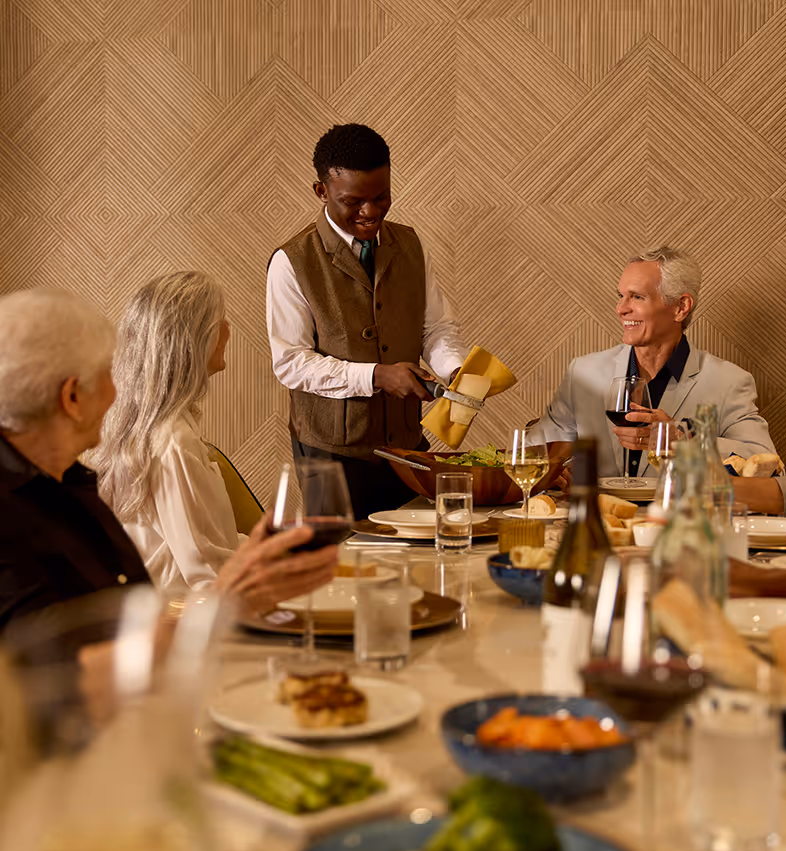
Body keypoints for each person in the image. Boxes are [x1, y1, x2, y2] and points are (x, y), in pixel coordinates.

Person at [0, 287, 338, 637]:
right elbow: (63, 671)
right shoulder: (14, 520)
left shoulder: (73, 483)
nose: (117, 391)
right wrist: (231, 595)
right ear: (72, 398)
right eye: (106, 374)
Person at [266, 122, 467, 520]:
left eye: (382, 197)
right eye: (354, 201)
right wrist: (377, 376)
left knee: (414, 563)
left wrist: (457, 368)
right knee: (341, 571)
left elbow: (436, 327)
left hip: (407, 448)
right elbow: (290, 363)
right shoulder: (291, 262)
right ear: (321, 191)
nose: (371, 212)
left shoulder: (410, 245)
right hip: (329, 456)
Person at [533, 246, 775, 478]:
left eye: (637, 297)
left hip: (679, 518)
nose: (621, 309)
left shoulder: (729, 382)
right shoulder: (583, 373)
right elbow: (535, 451)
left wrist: (683, 439)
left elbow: (769, 464)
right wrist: (562, 470)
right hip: (599, 517)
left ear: (681, 307)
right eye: (621, 296)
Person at [94, 271, 250, 592]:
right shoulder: (173, 439)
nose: (228, 330)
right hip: (177, 617)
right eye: (220, 321)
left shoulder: (161, 427)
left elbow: (211, 542)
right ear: (194, 338)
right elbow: (206, 572)